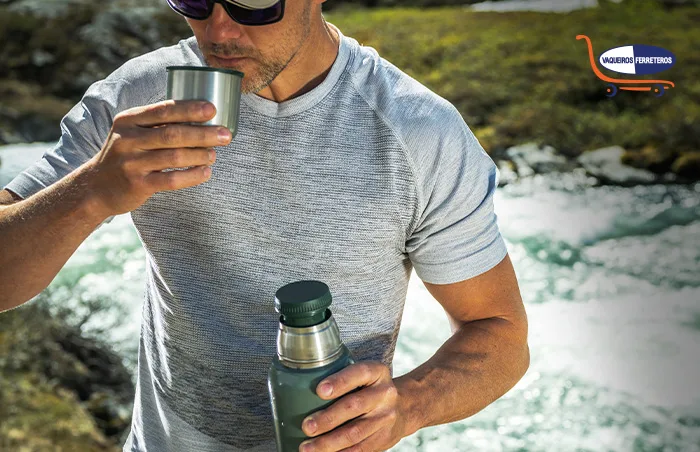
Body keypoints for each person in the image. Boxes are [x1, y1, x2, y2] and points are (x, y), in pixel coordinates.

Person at [0, 0, 530, 450]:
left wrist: (410, 405)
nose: (220, 32)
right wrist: (91, 192)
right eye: (195, 1)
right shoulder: (138, 100)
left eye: (253, 1)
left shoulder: (418, 132)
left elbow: (500, 334)